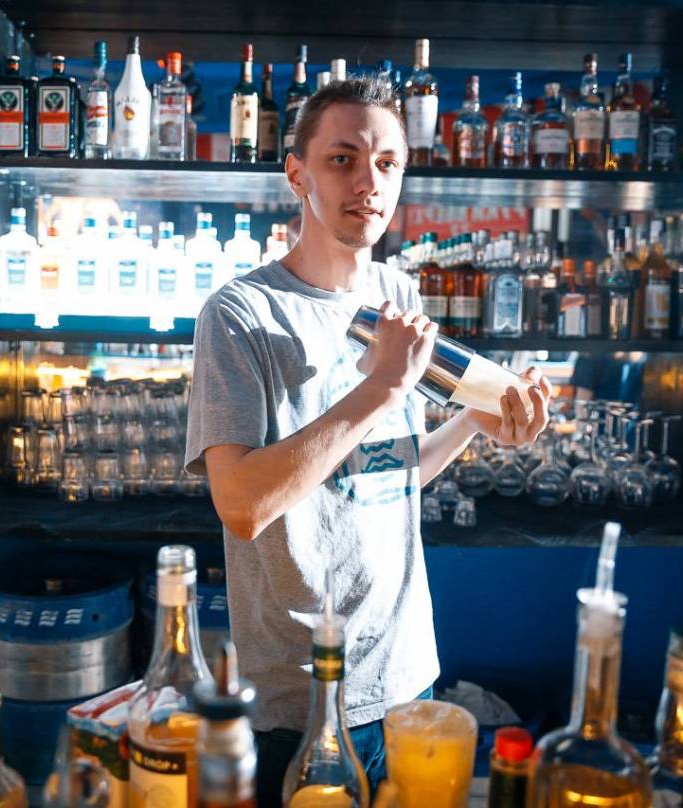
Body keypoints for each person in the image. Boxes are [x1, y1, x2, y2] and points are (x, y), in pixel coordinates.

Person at [184, 77, 552, 806]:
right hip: (301, 694)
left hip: (405, 670)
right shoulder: (240, 314)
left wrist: (472, 423)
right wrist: (383, 385)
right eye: (343, 159)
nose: (368, 182)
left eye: (386, 163)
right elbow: (242, 505)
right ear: (297, 175)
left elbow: (390, 472)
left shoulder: (399, 295)